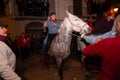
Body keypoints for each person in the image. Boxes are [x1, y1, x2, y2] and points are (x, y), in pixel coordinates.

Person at [82, 14, 120, 80]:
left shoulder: (109, 41)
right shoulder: (111, 31)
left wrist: (99, 42)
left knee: (95, 38)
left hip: (106, 77)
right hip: (100, 34)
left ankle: (84, 37)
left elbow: (85, 51)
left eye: (117, 22)